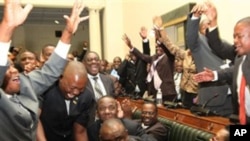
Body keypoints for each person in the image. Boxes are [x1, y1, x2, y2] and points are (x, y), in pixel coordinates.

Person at [0, 0, 88, 140]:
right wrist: (7, 27)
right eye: (7, 68)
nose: (14, 70)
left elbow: (52, 70)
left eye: (13, 66)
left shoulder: (25, 85)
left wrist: (68, 32)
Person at [193, 14, 250, 124]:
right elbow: (218, 46)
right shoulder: (240, 57)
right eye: (234, 37)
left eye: (239, 36)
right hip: (243, 118)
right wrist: (215, 75)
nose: (235, 41)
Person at [185, 2, 233, 116]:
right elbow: (191, 37)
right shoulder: (198, 44)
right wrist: (196, 17)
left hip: (231, 97)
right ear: (200, 30)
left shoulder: (223, 43)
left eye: (210, 24)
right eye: (205, 25)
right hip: (213, 99)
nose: (208, 26)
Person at [39, 61, 94, 141]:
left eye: (81, 89)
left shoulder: (86, 96)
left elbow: (80, 131)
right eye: (72, 88)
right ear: (60, 78)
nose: (76, 92)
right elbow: (35, 120)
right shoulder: (45, 90)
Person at [153, 16, 198, 108]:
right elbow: (172, 47)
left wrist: (201, 95)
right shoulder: (186, 54)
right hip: (185, 91)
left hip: (196, 93)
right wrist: (161, 29)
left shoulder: (202, 57)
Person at [123, 34, 177, 102]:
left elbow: (168, 51)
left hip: (167, 92)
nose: (158, 48)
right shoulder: (154, 57)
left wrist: (161, 42)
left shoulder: (169, 57)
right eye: (157, 47)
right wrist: (130, 46)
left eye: (160, 47)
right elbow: (142, 56)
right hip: (155, 92)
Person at [87, 96, 157, 141]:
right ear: (97, 113)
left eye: (111, 108)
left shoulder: (132, 126)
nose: (107, 112)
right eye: (102, 109)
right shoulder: (92, 130)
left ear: (117, 110)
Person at [118, 26, 149, 98]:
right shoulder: (127, 64)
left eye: (134, 53)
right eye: (131, 53)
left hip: (143, 92)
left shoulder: (142, 62)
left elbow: (146, 52)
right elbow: (120, 72)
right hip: (130, 92)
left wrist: (144, 40)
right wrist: (125, 60)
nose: (133, 55)